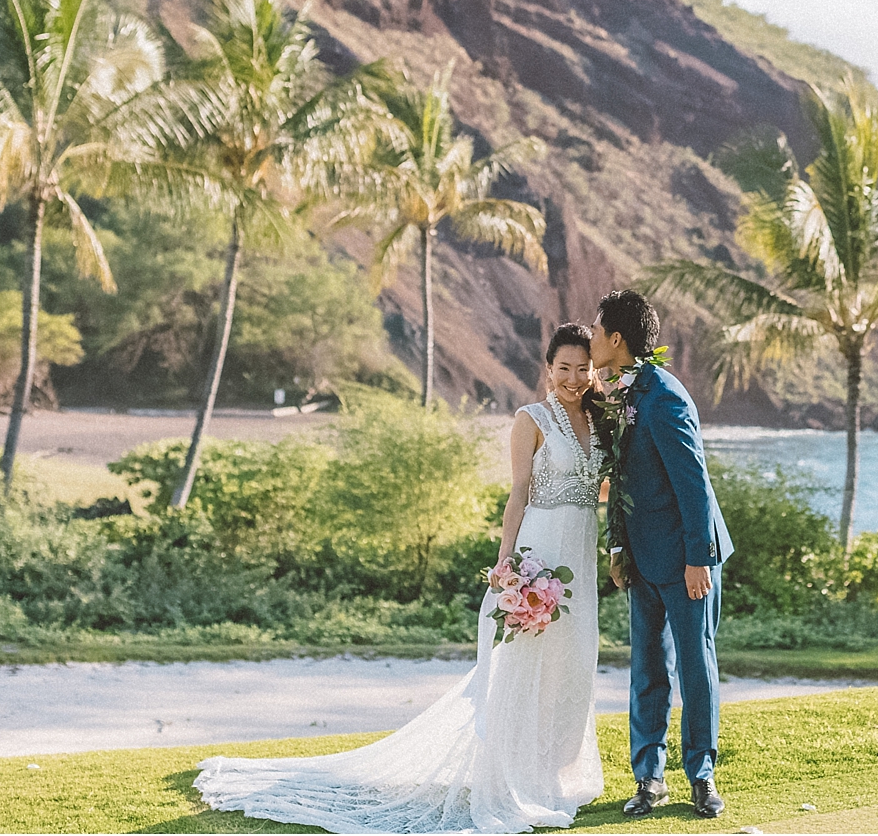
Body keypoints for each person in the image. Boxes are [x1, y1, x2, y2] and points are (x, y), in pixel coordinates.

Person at [192, 323, 608, 834]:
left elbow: (599, 488)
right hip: (540, 552)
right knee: (524, 665)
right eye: (563, 367)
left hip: (580, 556)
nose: (572, 377)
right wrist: (507, 564)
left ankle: (556, 772)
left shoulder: (599, 419)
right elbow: (519, 491)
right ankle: (518, 776)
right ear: (548, 368)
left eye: (582, 367)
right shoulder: (532, 418)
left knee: (571, 662)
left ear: (594, 370)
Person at [594, 288, 734, 821]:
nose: (590, 336)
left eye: (596, 327)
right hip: (641, 558)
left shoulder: (665, 395)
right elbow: (621, 478)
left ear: (616, 338)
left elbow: (693, 481)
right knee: (647, 668)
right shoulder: (624, 394)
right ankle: (648, 778)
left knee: (695, 666)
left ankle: (701, 776)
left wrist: (697, 557)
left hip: (687, 559)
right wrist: (617, 547)